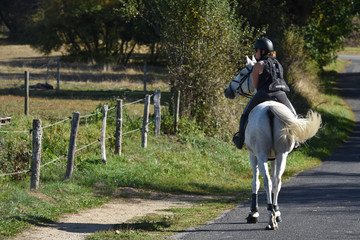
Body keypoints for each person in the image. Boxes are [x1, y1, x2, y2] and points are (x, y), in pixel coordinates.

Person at [233, 38, 296, 149]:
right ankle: (297, 141)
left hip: (264, 94)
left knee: (244, 115)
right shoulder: (278, 64)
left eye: (256, 50)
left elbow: (256, 86)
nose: (255, 53)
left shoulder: (258, 65)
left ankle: (239, 141)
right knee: (293, 115)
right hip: (280, 94)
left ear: (263, 51)